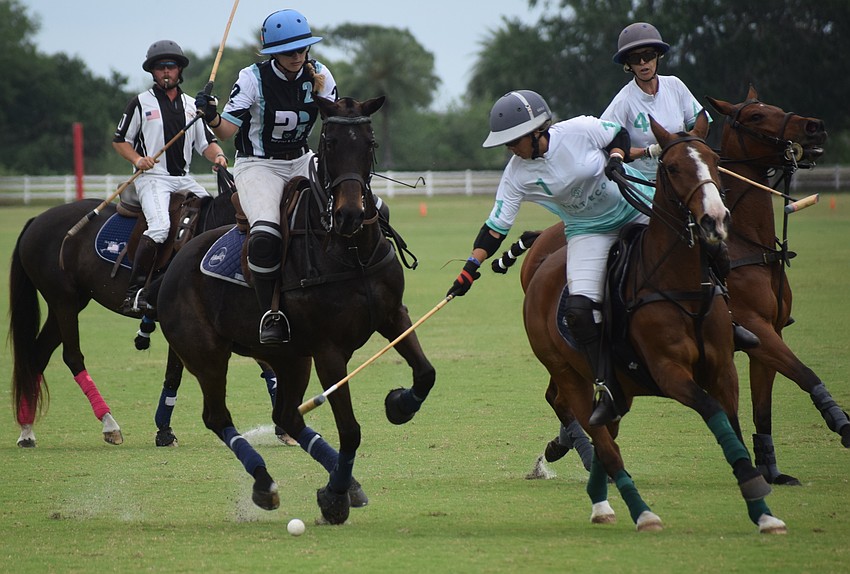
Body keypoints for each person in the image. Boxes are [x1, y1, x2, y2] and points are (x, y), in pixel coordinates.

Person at [446, 89, 655, 426]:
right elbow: (496, 227)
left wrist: (615, 156)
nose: (510, 148)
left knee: (693, 240)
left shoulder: (579, 130)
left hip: (634, 206)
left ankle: (731, 319)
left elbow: (617, 133)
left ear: (538, 131)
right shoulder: (516, 173)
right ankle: (608, 383)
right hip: (588, 230)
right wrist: (470, 268)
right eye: (506, 142)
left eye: (515, 140)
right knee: (580, 310)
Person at [194, 9, 338, 344]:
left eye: (302, 49)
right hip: (259, 166)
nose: (297, 56)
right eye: (289, 51)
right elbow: (227, 132)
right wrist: (212, 116)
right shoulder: (251, 78)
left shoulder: (319, 73)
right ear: (273, 52)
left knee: (362, 209)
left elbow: (334, 118)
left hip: (303, 159)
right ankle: (271, 312)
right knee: (266, 234)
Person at [113, 39, 227, 316]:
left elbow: (206, 143)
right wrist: (139, 159)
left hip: (183, 179)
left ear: (179, 71)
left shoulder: (191, 106)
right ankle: (136, 292)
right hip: (152, 178)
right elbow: (120, 141)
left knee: (212, 217)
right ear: (153, 72)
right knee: (161, 226)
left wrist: (219, 157)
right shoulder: (140, 103)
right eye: (160, 68)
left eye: (171, 67)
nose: (166, 72)